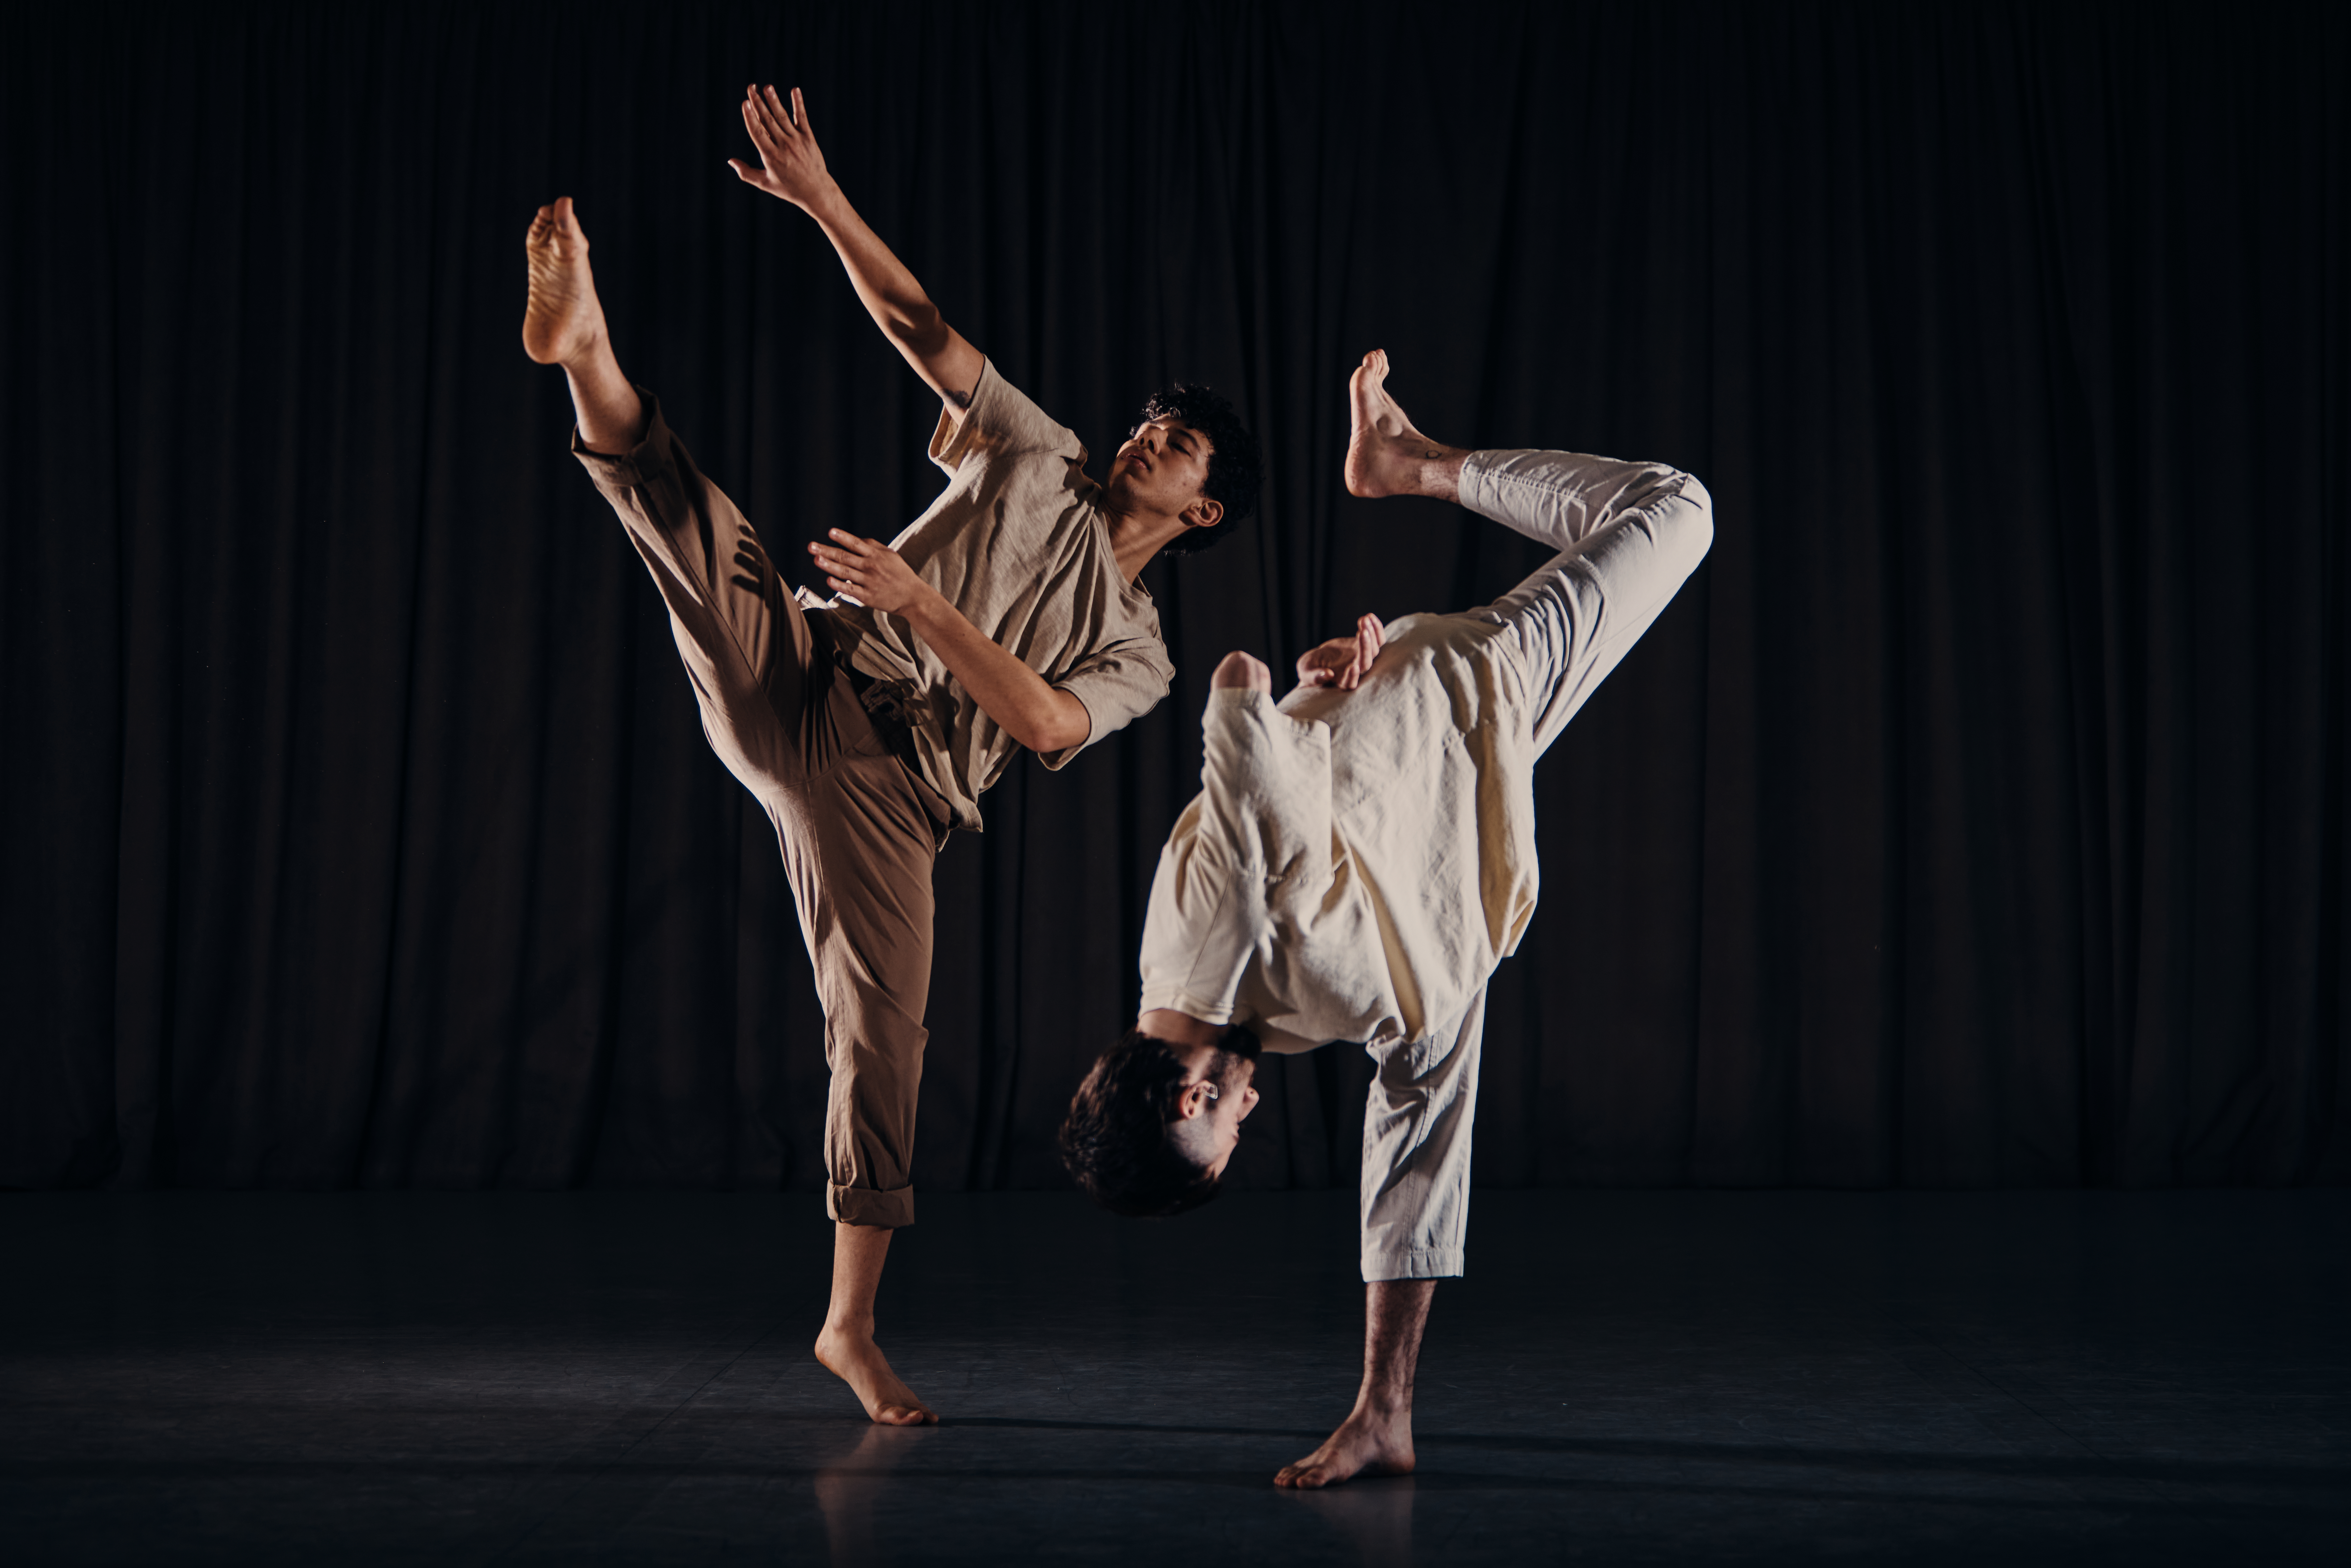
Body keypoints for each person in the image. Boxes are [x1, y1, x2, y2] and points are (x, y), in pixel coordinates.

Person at [521, 83, 1262, 1426]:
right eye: (1152, 419)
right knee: (704, 535)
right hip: (812, 666)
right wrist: (822, 202)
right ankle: (584, 352)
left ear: (1201, 507)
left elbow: (1041, 725)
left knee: (881, 1040)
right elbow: (928, 331)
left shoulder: (1144, 652)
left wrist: (925, 604)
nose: (1148, 434)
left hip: (891, 793)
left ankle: (846, 1329)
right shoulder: (1041, 451)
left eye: (1180, 443)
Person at [1059, 349, 1712, 1486]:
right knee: (1417, 1101)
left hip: (1470, 693)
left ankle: (1412, 464)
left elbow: (1233, 694)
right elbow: (1282, 787)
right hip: (1443, 839)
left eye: (1226, 1135)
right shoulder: (1186, 982)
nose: (1249, 1116)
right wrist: (1320, 697)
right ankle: (1383, 1414)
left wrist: (1289, 693)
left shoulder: (1222, 929)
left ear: (1193, 1095)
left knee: (1675, 508)